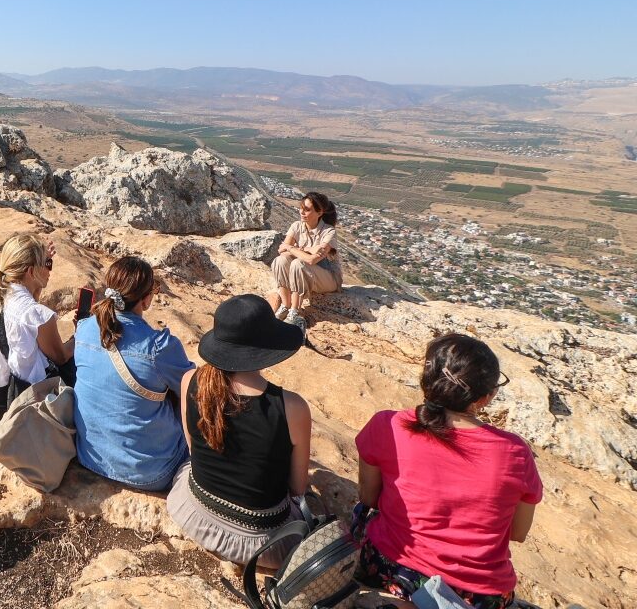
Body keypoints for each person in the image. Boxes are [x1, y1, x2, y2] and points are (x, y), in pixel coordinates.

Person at [353, 334, 541, 608]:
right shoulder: (514, 452)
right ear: (485, 398)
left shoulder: (387, 424)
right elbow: (517, 533)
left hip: (391, 567)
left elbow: (368, 498)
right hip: (477, 592)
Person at [168, 294, 311, 569]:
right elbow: (297, 487)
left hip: (194, 513)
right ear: (265, 349)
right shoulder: (291, 407)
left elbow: (192, 449)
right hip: (262, 543)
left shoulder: (191, 380)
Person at [73, 257, 194, 491]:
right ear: (146, 299)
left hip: (91, 456)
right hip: (150, 472)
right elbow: (193, 389)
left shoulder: (85, 327)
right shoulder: (159, 346)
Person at [0, 233, 75, 420]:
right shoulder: (36, 314)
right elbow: (61, 356)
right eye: (47, 264)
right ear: (30, 271)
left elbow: (26, 312)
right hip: (13, 402)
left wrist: (40, 274)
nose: (50, 270)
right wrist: (80, 335)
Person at [268, 191, 342, 333]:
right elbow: (282, 252)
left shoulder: (329, 232)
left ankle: (294, 311)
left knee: (298, 263)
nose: (302, 212)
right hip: (308, 273)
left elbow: (311, 259)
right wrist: (308, 249)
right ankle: (286, 305)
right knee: (280, 261)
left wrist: (292, 248)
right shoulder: (297, 226)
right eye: (301, 208)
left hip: (329, 279)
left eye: (307, 209)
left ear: (319, 212)